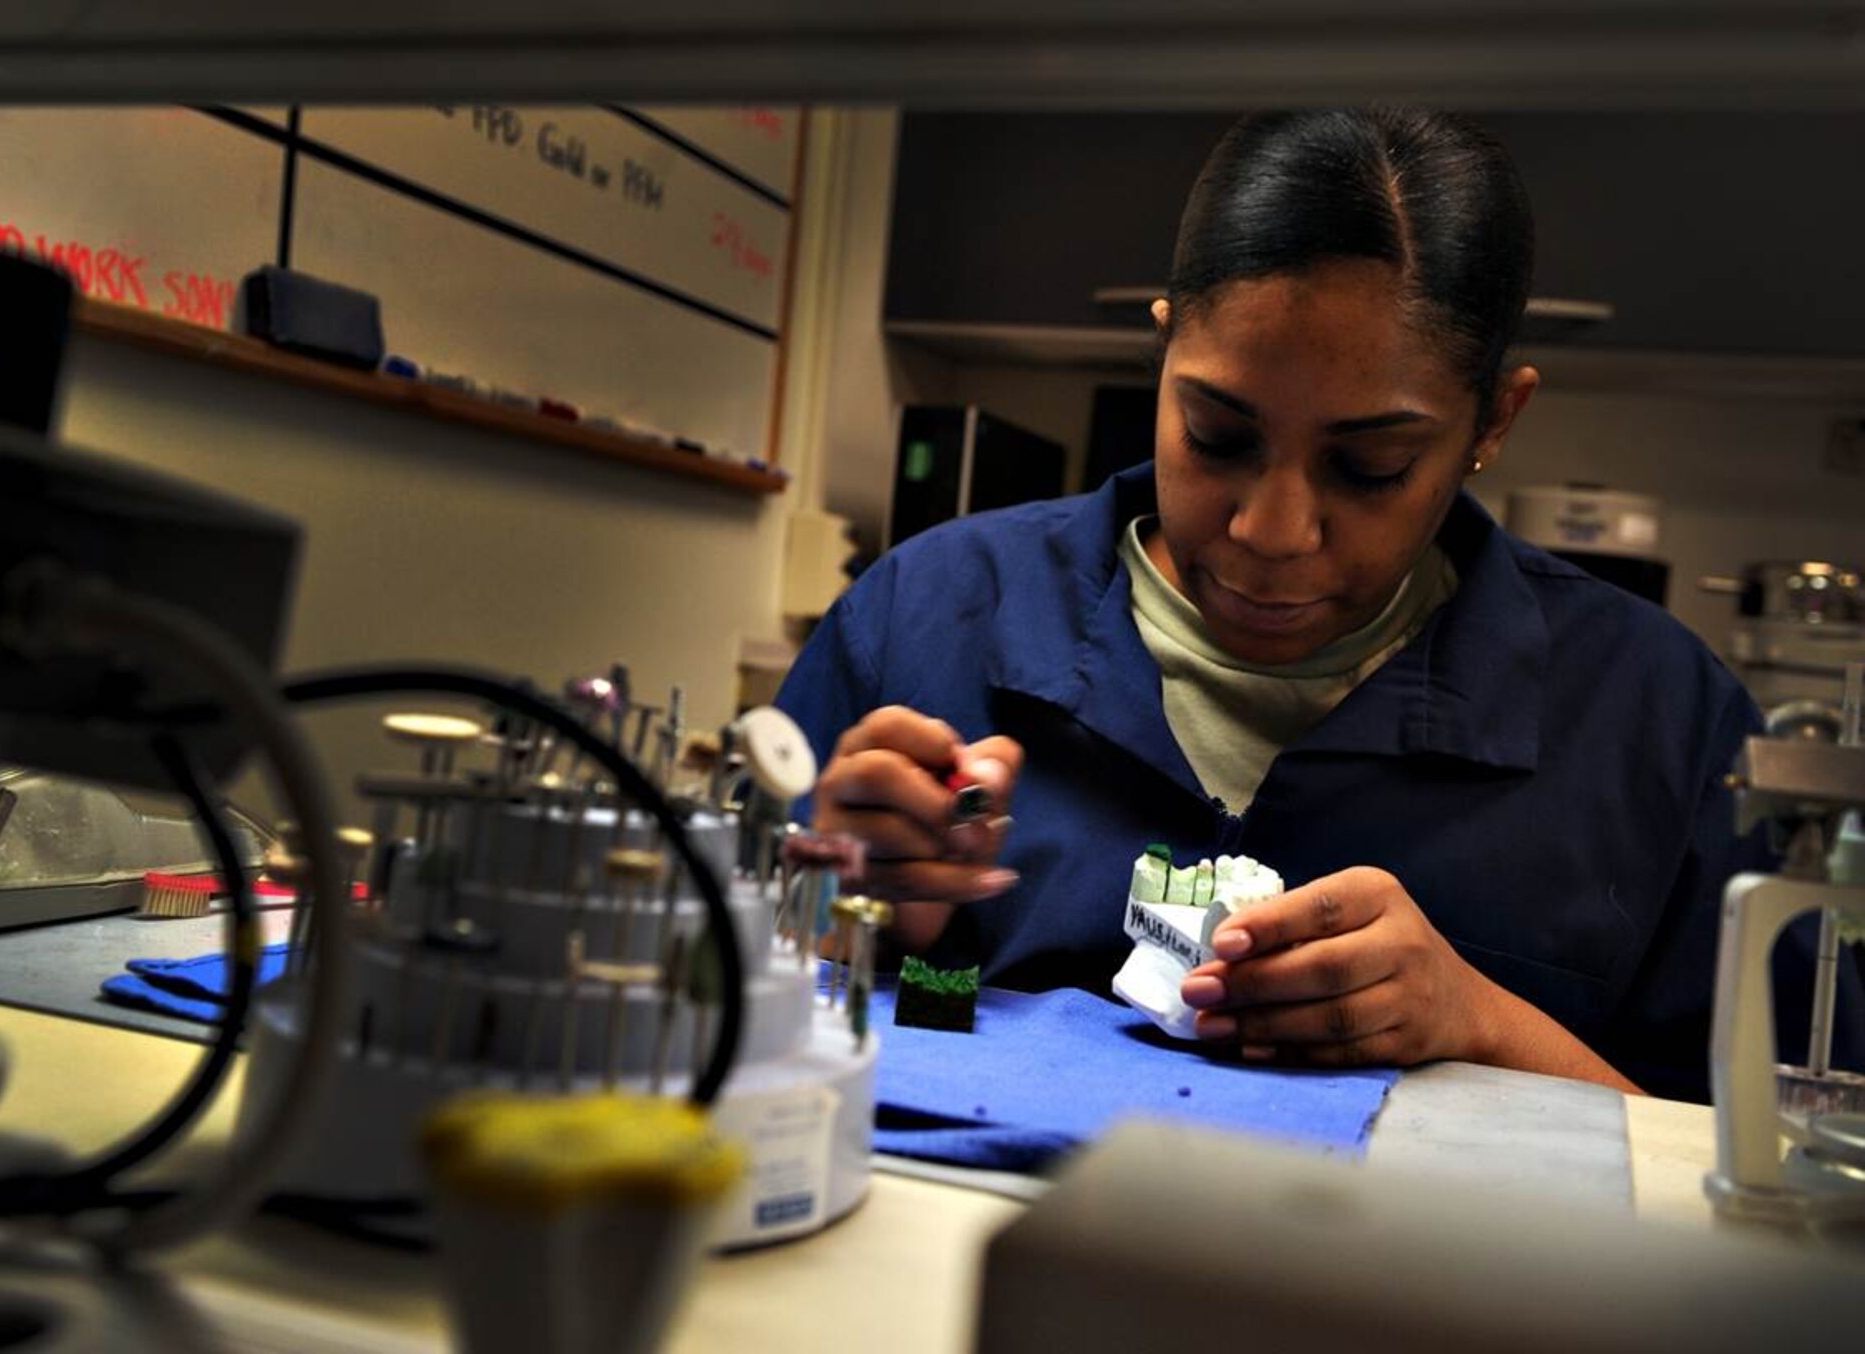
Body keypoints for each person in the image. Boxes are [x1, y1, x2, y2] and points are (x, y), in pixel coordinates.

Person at [775, 108, 1860, 1103]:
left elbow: (1793, 1179)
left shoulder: (1657, 729)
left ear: (1492, 421)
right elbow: (733, 1034)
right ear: (1160, 350)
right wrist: (853, 923)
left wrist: (1478, 1024)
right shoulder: (923, 623)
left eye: (1371, 466)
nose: (1271, 531)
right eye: (1216, 436)